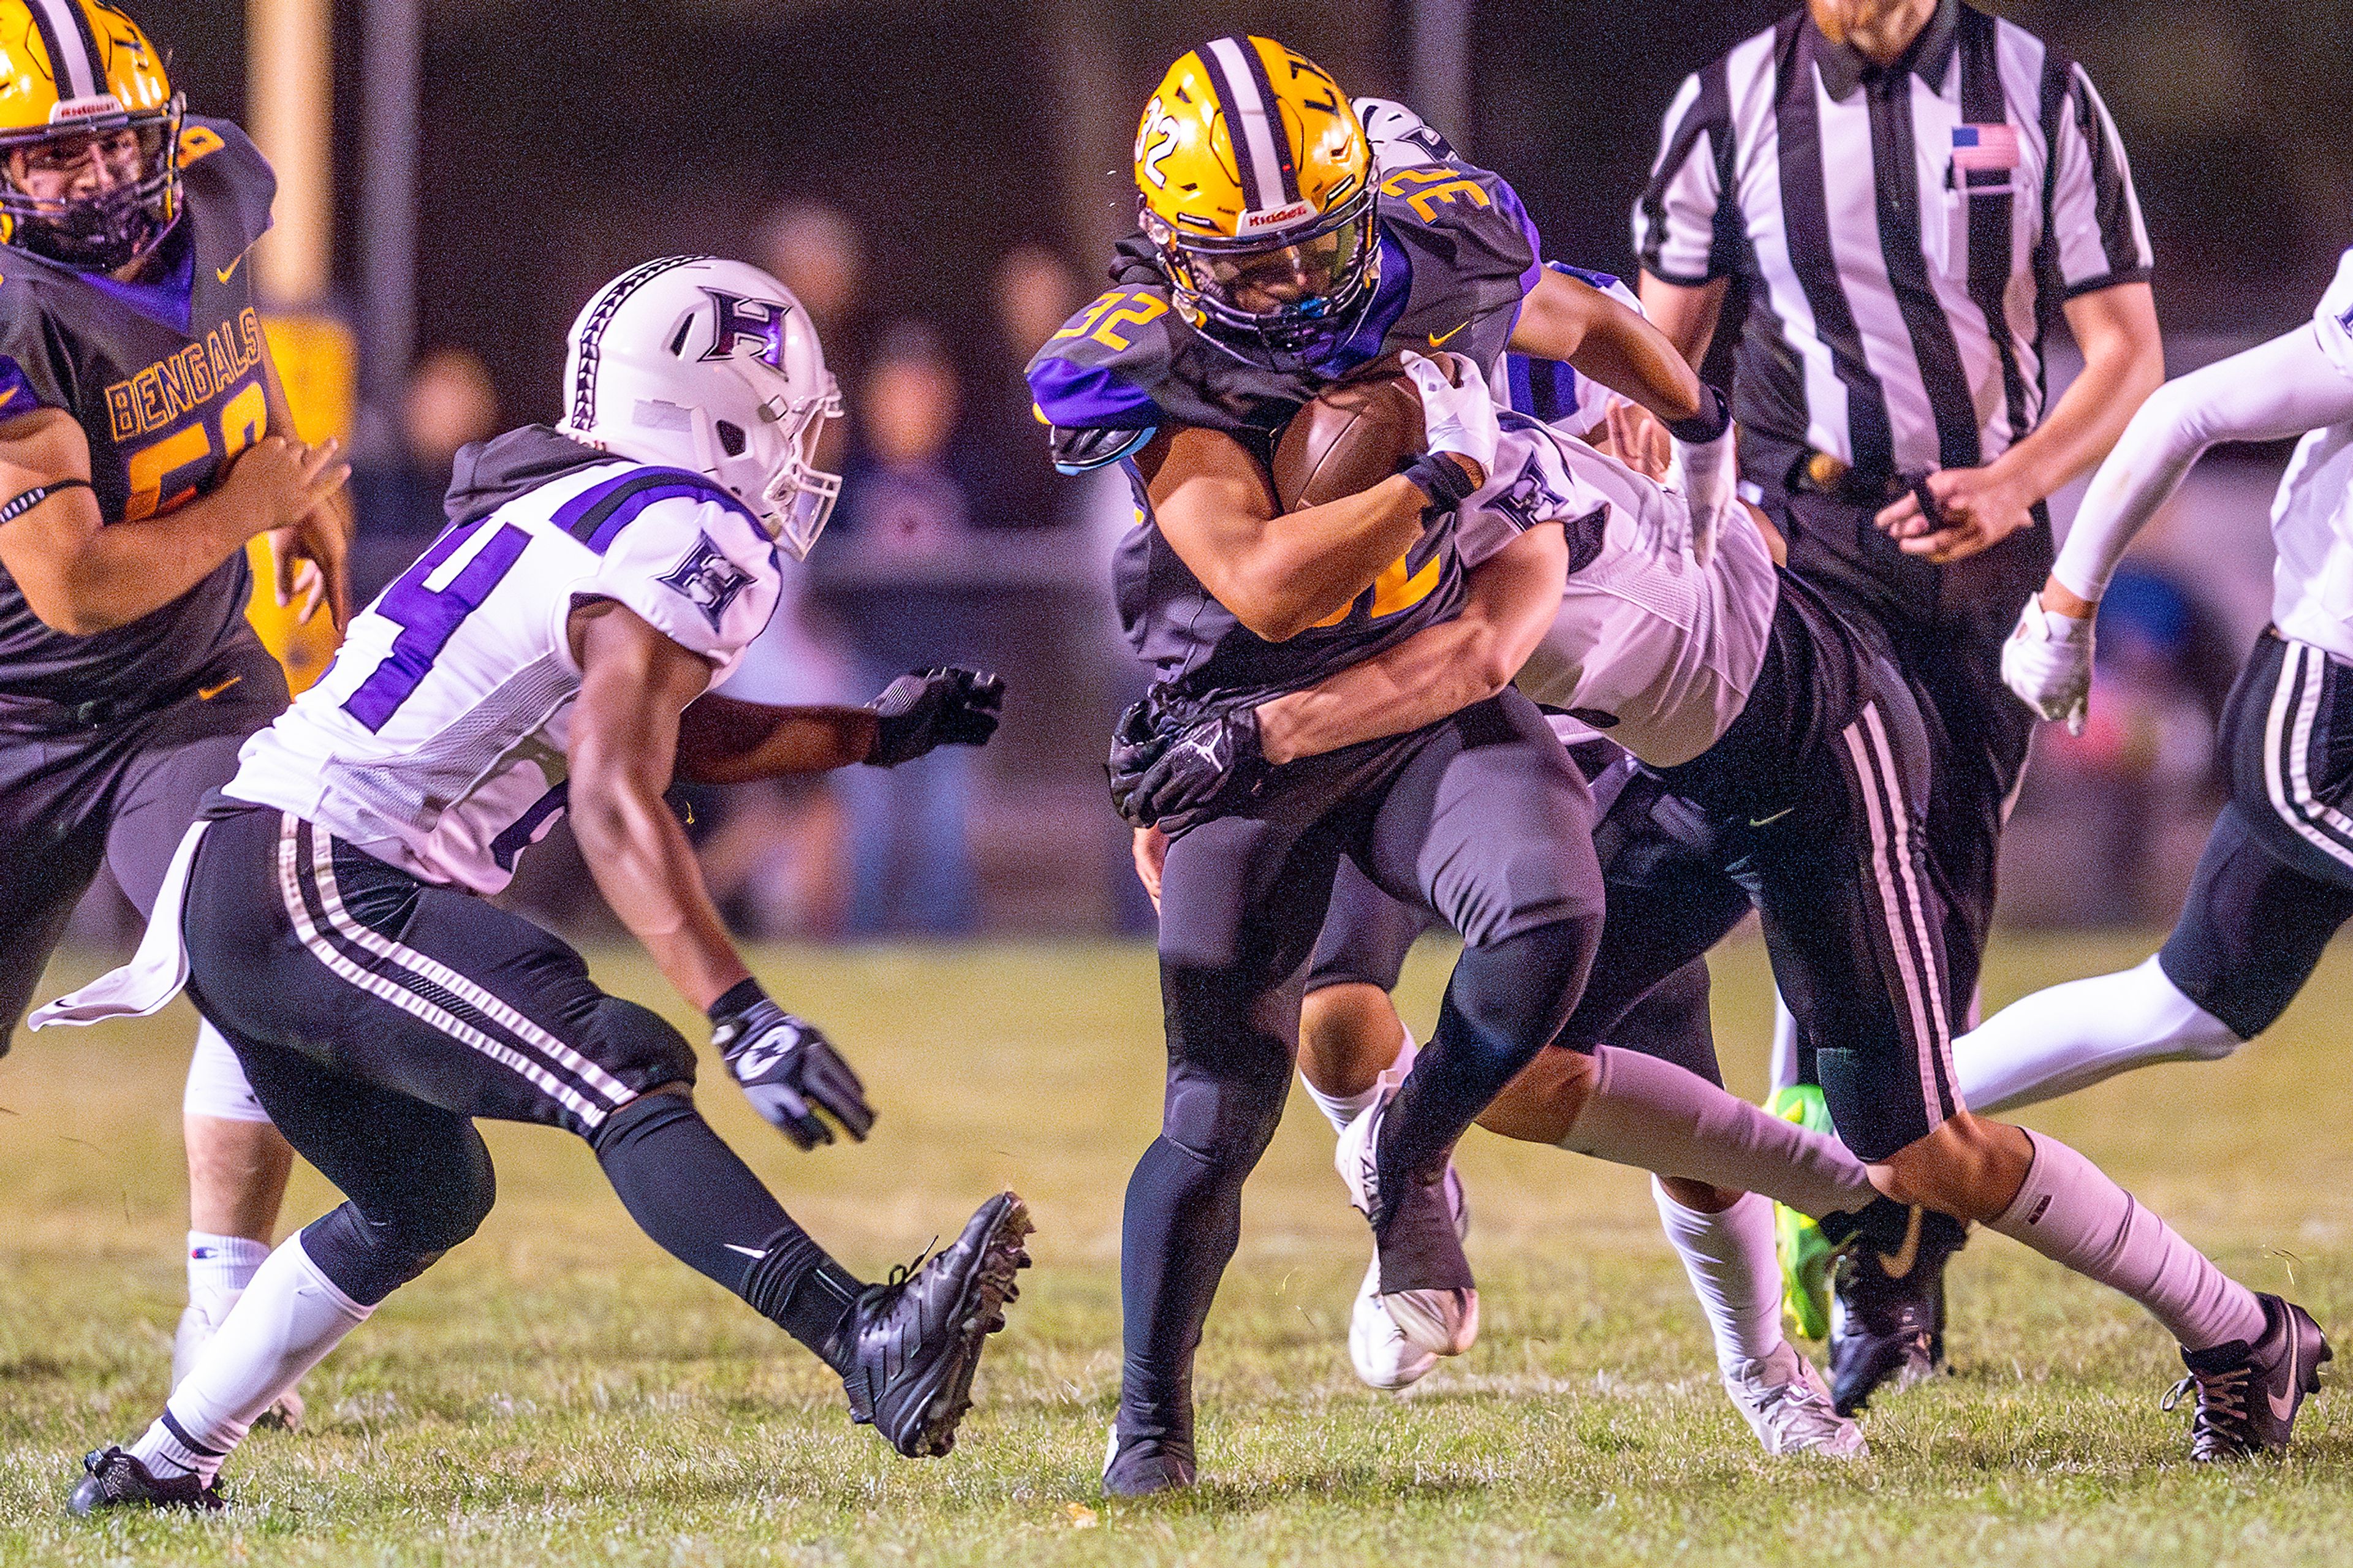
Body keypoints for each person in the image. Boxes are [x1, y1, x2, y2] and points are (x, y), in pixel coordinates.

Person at [1123, 394, 2328, 1462]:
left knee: (1925, 1147)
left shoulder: (1482, 538)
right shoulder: (1490, 441)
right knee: (1516, 1055)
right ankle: (1812, 1192)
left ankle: (2239, 1326)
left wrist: (1246, 751)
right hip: (1677, 772)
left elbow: (1456, 655)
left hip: (1824, 767)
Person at [37, 257, 1027, 1513]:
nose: (794, 449)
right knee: (616, 1059)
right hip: (317, 876)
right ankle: (868, 1340)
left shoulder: (580, 509)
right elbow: (617, 789)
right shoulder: (684, 526)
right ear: (713, 410)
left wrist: (864, 733)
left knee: (423, 1191)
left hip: (267, 875)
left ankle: (160, 1467)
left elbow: (664, 731)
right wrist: (741, 1005)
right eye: (782, 418)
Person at [1028, 34, 1735, 1495]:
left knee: (1553, 912)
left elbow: (1585, 317)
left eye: (1310, 247)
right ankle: (1151, 1424)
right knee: (1217, 1109)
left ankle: (1408, 1146)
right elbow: (1270, 584)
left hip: (1417, 693)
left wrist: (1702, 428)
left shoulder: (1431, 243)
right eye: (1250, 260)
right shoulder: (1150, 350)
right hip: (1239, 723)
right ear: (1176, 246)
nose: (1286, 286)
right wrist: (1440, 470)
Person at [1635, 0, 2168, 1388]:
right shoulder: (1732, 103)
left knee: (1940, 905)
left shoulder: (2038, 90)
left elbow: (2127, 353)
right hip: (1803, 546)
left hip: (1986, 557)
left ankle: (1897, 1253)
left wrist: (2014, 485)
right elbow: (1654, 360)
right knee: (1832, 876)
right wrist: (1697, 516)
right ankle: (1871, 1270)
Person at [0, 0, 352, 1422]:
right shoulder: (15, 311)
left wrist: (301, 491)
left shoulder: (214, 184)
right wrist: (256, 504)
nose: (92, 183)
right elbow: (77, 584)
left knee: (255, 956)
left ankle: (225, 1315)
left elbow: (230, 336)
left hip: (188, 688)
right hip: (19, 703)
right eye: (48, 159)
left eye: (111, 147)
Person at [1951, 243, 2353, 1113]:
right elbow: (2187, 410)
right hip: (2329, 721)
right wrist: (2065, 608)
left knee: (2193, 1007)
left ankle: (1847, 1133)